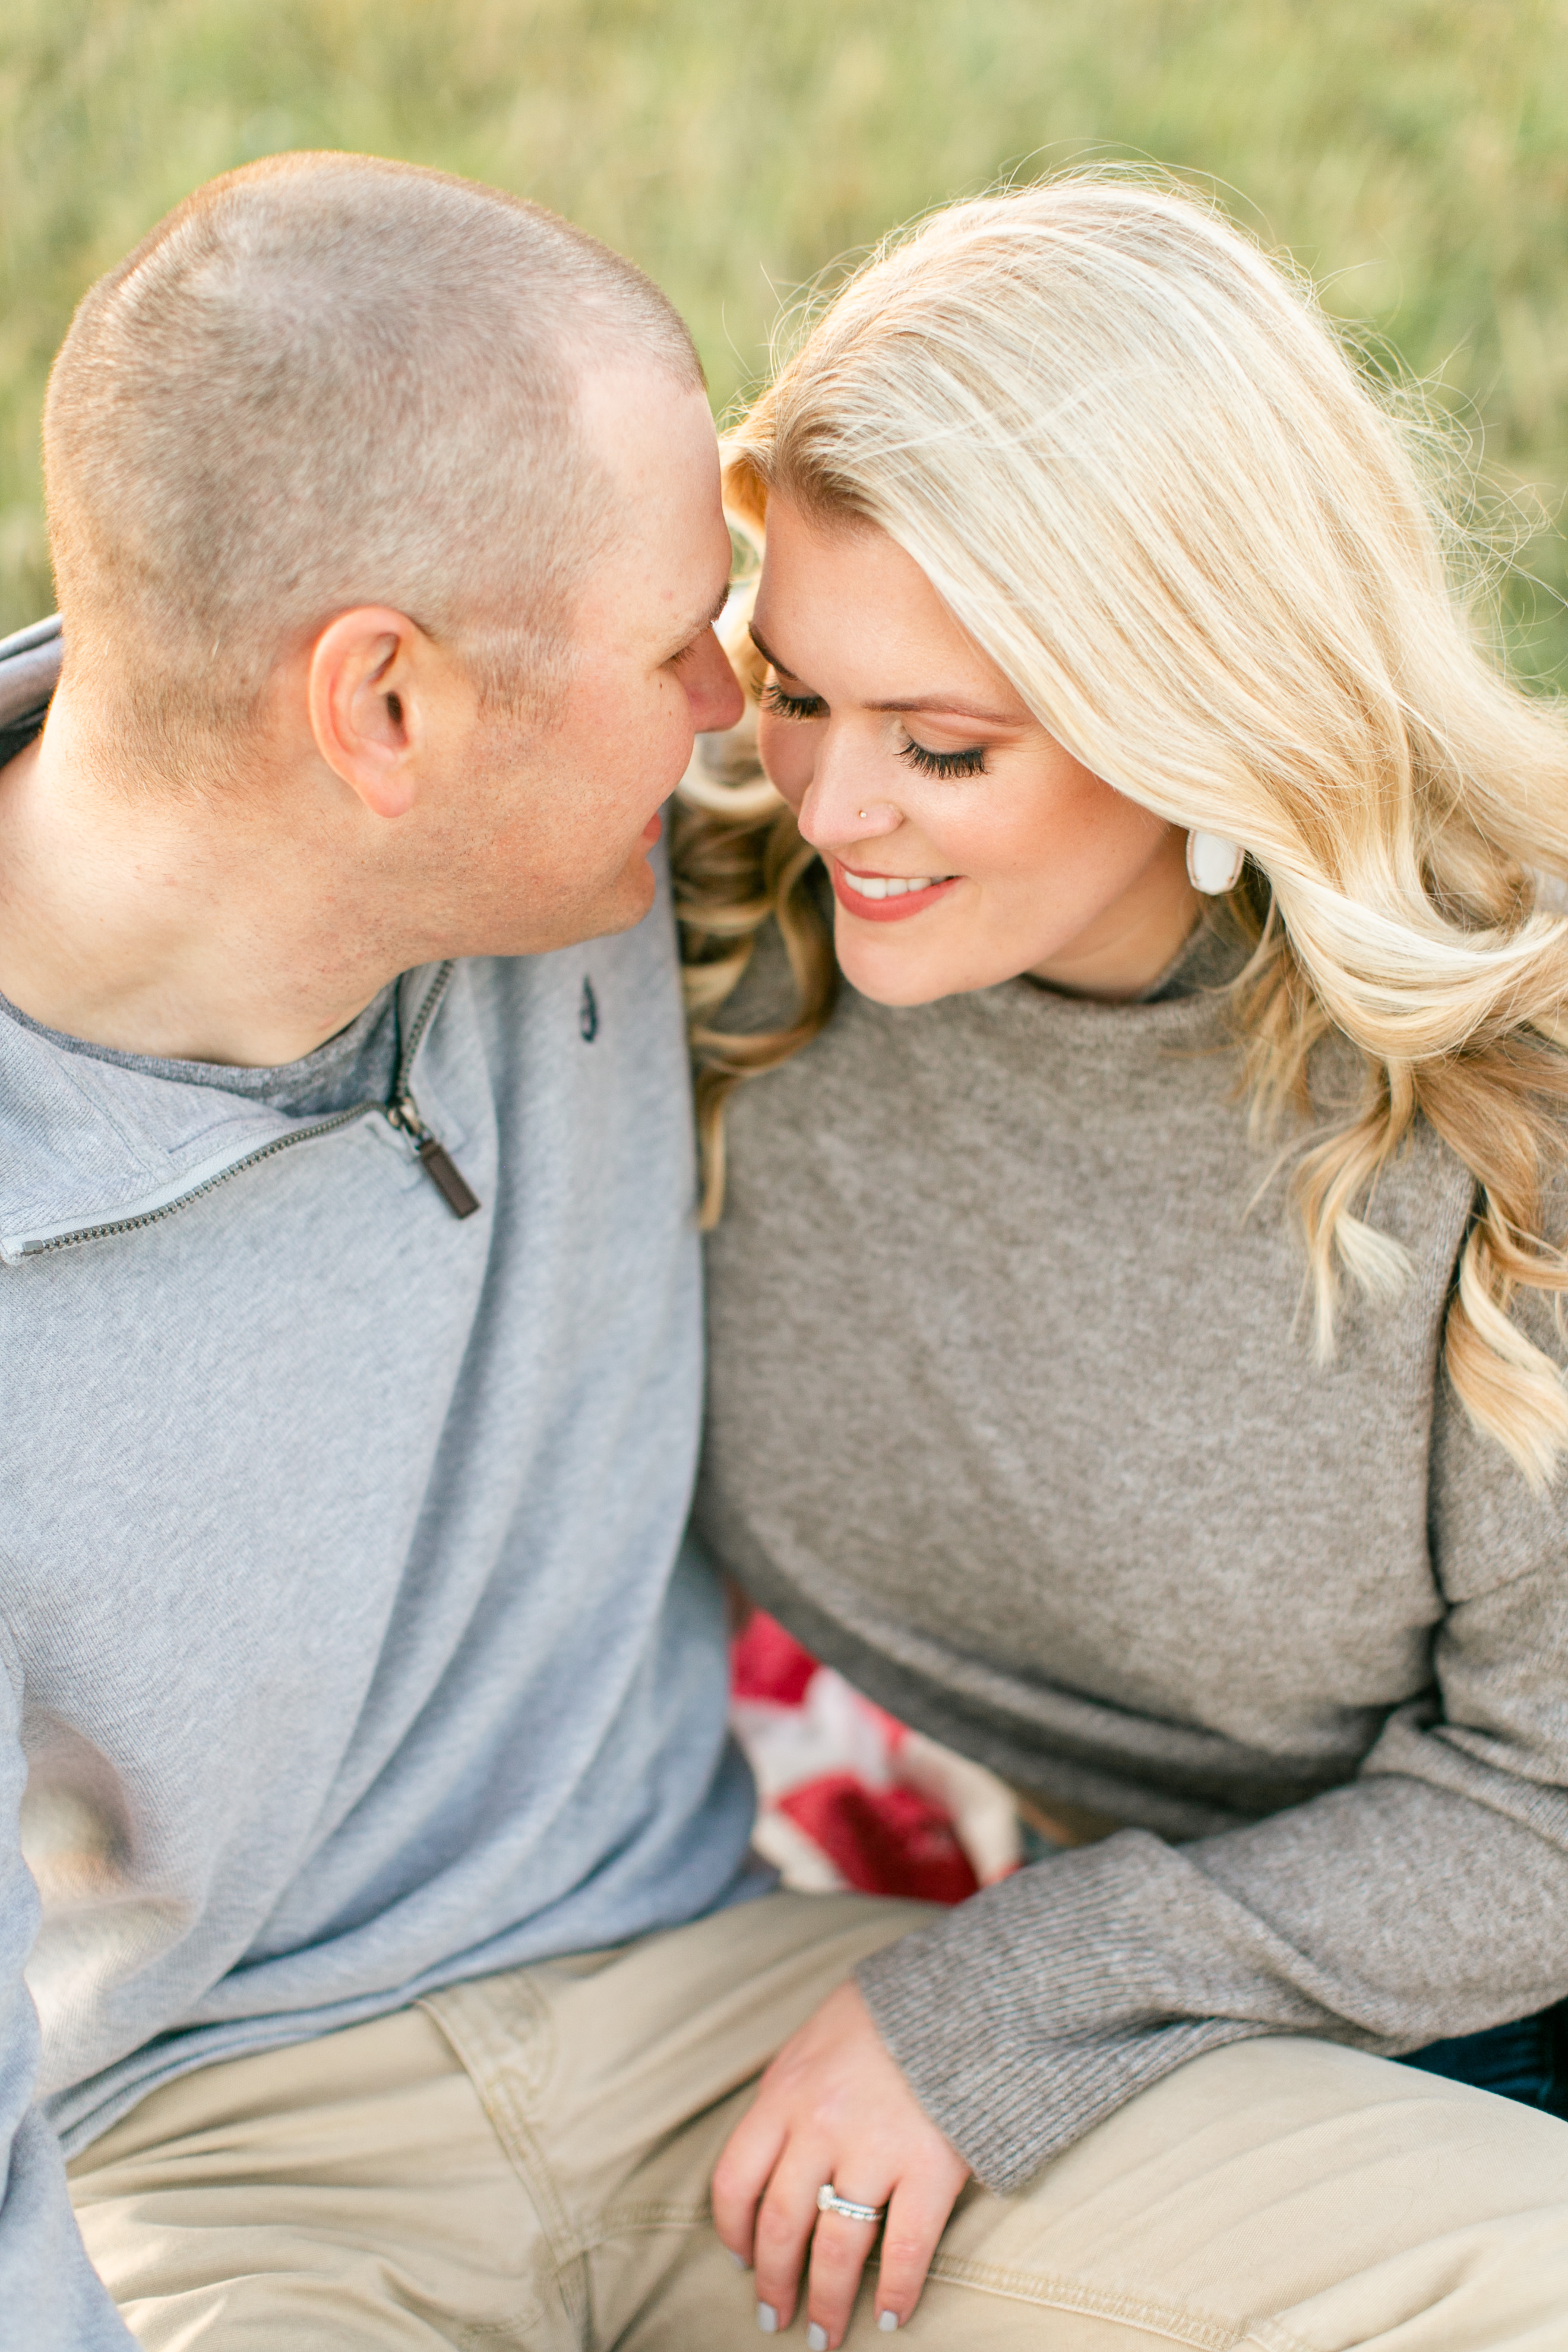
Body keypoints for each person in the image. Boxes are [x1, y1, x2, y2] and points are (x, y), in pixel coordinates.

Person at [0, 147, 883, 2350]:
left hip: (752, 2021)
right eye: (677, 642)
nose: (737, 716)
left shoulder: (595, 870)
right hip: (218, 2154)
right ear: (380, 708)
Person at [678, 175, 1568, 2350]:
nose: (832, 806)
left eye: (944, 748)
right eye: (796, 693)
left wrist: (996, 2000)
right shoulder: (713, 952)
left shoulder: (1498, 1108)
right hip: (1210, 1972)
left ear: (1200, 705)